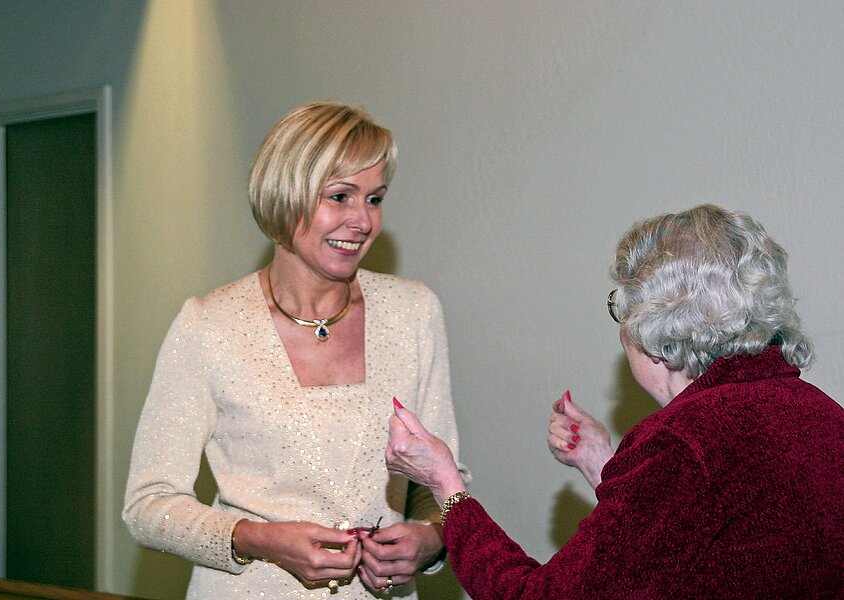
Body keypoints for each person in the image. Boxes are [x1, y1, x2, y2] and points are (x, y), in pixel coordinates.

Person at [385, 204, 844, 598]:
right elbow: (705, 538)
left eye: (620, 308)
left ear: (655, 327)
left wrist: (446, 485)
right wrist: (602, 463)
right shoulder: (823, 415)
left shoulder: (683, 441)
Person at [123, 102, 468, 599]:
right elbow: (148, 505)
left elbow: (444, 482)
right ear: (286, 194)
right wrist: (259, 539)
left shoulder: (413, 312)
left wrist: (431, 538)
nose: (363, 220)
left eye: (374, 199)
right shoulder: (209, 324)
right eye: (340, 196)